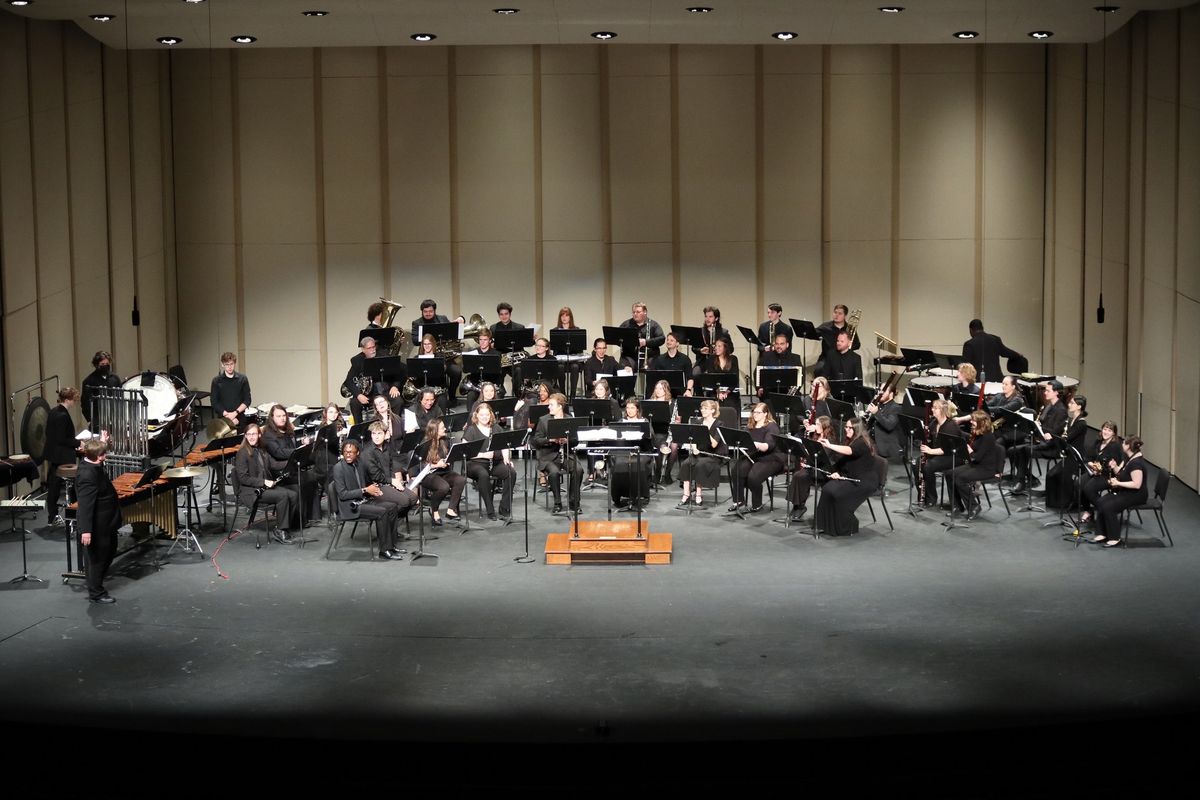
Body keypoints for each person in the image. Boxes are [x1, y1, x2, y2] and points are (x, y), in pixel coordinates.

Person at [332, 440, 404, 560]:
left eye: (351, 452)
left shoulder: (360, 464)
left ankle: (391, 545)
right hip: (350, 507)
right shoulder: (338, 468)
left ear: (358, 453)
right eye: (345, 452)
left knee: (392, 506)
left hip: (363, 500)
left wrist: (375, 490)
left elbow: (366, 483)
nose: (348, 455)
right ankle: (384, 550)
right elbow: (342, 495)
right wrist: (365, 490)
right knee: (382, 512)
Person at [235, 423, 300, 543]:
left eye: (254, 434)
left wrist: (293, 461)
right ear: (245, 436)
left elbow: (274, 464)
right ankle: (281, 530)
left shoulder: (261, 449)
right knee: (283, 496)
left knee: (293, 495)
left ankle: (282, 527)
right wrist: (263, 481)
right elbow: (243, 478)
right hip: (251, 491)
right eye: (248, 434)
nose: (251, 437)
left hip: (265, 487)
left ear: (259, 435)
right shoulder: (242, 453)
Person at [814, 418, 880, 536]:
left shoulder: (862, 442)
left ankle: (847, 526)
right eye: (846, 427)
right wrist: (838, 472)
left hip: (864, 481)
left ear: (857, 429)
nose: (847, 430)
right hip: (850, 476)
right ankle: (824, 525)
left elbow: (850, 451)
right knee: (827, 489)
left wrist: (830, 445)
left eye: (850, 428)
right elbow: (847, 462)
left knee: (836, 492)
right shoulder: (851, 440)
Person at [75, 438, 121, 603]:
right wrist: (86, 531)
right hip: (97, 525)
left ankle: (97, 585)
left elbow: (95, 456)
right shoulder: (87, 475)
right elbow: (85, 506)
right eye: (103, 454)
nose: (105, 457)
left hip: (106, 522)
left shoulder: (92, 463)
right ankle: (96, 593)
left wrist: (101, 442)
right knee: (96, 559)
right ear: (95, 456)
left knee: (109, 552)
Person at [261, 404, 322, 524]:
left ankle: (313, 516)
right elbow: (278, 453)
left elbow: (291, 449)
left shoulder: (287, 430)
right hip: (279, 471)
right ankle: (300, 520)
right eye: (279, 416)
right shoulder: (268, 434)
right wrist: (297, 451)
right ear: (272, 418)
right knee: (304, 479)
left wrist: (302, 445)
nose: (282, 418)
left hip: (290, 467)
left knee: (312, 478)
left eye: (284, 415)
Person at [1008, 381, 1068, 495]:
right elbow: (1042, 424)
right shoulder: (1048, 406)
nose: (1045, 393)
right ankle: (1030, 478)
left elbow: (1055, 433)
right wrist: (1035, 426)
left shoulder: (1061, 410)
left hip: (1051, 446)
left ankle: (1021, 482)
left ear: (1056, 392)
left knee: (1024, 450)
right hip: (1041, 440)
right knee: (1012, 450)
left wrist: (1040, 430)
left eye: (1048, 390)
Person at [1087, 436, 1147, 548]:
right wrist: (1114, 467)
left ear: (1129, 446)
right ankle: (1101, 533)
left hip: (1136, 495)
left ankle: (1114, 537)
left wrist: (1118, 484)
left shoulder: (1136, 464)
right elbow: (1122, 473)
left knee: (1109, 506)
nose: (1122, 445)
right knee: (1101, 501)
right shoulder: (1128, 457)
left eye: (1124, 443)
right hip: (1126, 491)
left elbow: (1137, 484)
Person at [462, 403, 516, 521]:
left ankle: (505, 507)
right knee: (483, 474)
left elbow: (504, 445)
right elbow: (464, 451)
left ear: (491, 415)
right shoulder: (471, 430)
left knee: (511, 472)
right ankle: (490, 509)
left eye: (487, 414)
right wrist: (483, 454)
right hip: (475, 464)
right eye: (482, 415)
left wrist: (506, 458)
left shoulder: (496, 428)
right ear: (477, 415)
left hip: (495, 463)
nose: (485, 417)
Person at [532, 393, 584, 514]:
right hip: (548, 456)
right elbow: (536, 440)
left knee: (578, 469)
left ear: (560, 406)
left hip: (565, 454)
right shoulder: (543, 420)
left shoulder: (569, 419)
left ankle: (573, 502)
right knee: (554, 472)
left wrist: (567, 440)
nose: (548, 407)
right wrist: (550, 440)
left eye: (551, 404)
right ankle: (557, 503)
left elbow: (576, 441)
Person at [946, 410, 1003, 519]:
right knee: (949, 474)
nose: (971, 422)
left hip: (986, 468)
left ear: (982, 422)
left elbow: (977, 457)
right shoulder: (977, 432)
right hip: (976, 465)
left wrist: (968, 449)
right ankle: (957, 506)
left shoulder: (988, 436)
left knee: (960, 479)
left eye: (974, 420)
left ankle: (974, 507)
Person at [730, 403, 786, 513]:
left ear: (765, 414)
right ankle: (739, 501)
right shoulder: (750, 425)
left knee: (753, 477)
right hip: (754, 456)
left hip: (771, 458)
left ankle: (757, 504)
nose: (755, 415)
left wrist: (754, 443)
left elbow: (767, 447)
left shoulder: (771, 426)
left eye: (758, 412)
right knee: (737, 470)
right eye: (754, 412)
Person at [361, 422, 419, 518]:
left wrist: (395, 480)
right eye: (373, 433)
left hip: (388, 482)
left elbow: (392, 464)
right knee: (405, 501)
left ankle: (393, 521)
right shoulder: (367, 452)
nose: (376, 437)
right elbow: (376, 476)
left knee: (413, 498)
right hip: (376, 486)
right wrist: (393, 481)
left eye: (379, 433)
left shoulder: (387, 446)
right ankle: (388, 522)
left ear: (385, 434)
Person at [415, 417, 466, 525]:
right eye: (442, 428)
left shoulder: (445, 440)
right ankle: (434, 510)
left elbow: (448, 456)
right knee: (444, 487)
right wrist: (436, 464)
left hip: (444, 471)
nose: (445, 429)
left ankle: (451, 509)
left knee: (460, 480)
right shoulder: (425, 443)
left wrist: (448, 460)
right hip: (429, 474)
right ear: (435, 431)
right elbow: (420, 464)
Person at [676, 399, 725, 508]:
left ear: (712, 410)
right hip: (699, 453)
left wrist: (706, 429)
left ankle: (698, 495)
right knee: (686, 463)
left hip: (712, 455)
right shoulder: (697, 422)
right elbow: (693, 439)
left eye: (706, 409)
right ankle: (686, 494)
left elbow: (714, 445)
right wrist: (694, 448)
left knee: (700, 465)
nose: (703, 410)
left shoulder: (719, 424)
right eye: (702, 408)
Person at [1045, 394, 1091, 509]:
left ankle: (1067, 502)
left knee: (1058, 475)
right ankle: (1054, 502)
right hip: (1068, 455)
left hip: (1076, 457)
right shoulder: (1070, 420)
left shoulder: (1081, 423)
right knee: (1051, 475)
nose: (1069, 405)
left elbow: (1068, 438)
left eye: (1072, 403)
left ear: (1079, 406)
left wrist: (1054, 437)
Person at [787, 415, 836, 522]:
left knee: (802, 476)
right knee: (797, 475)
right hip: (811, 465)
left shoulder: (830, 439)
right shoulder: (814, 435)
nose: (815, 426)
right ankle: (797, 506)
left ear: (825, 426)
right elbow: (800, 439)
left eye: (818, 424)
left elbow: (822, 457)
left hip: (823, 469)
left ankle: (799, 506)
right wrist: (806, 431)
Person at [343, 336, 402, 422]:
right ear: (363, 350)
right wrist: (359, 395)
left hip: (385, 393)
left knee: (398, 401)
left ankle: (395, 425)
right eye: (369, 348)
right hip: (368, 396)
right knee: (354, 402)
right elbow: (349, 381)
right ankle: (359, 428)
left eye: (374, 347)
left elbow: (398, 372)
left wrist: (395, 386)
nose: (373, 350)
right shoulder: (357, 360)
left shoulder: (384, 355)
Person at [45, 387, 81, 525]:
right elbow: (62, 439)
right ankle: (72, 514)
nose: (74, 402)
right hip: (62, 455)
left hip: (54, 454)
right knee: (69, 486)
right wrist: (79, 442)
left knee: (53, 486)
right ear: (67, 400)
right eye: (73, 400)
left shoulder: (54, 411)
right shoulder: (62, 415)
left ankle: (52, 516)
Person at [918, 398, 964, 508]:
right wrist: (925, 445)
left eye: (935, 408)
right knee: (917, 464)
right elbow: (931, 441)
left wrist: (930, 451)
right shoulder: (934, 423)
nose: (932, 410)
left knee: (928, 466)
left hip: (952, 456)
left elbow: (947, 449)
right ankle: (923, 495)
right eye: (932, 407)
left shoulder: (951, 426)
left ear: (943, 410)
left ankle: (931, 499)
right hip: (939, 454)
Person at [1079, 421, 1123, 525]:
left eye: (1109, 430)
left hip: (1108, 476)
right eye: (1105, 429)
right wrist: (1092, 465)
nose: (1106, 432)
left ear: (1113, 433)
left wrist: (1099, 470)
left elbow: (1113, 467)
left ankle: (1106, 509)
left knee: (1088, 488)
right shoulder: (1098, 442)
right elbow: (1088, 458)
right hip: (1095, 471)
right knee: (1079, 484)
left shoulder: (1115, 446)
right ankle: (1088, 510)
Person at [961, 319, 1022, 385]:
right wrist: (1018, 355)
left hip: (979, 382)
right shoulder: (995, 339)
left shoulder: (969, 344)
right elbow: (1006, 352)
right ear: (982, 328)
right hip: (997, 380)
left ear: (971, 330)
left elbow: (965, 365)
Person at [80, 350, 121, 429]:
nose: (105, 366)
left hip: (114, 419)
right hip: (97, 420)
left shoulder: (115, 378)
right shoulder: (88, 381)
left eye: (107, 364)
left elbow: (120, 398)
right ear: (96, 365)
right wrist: (89, 420)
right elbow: (85, 403)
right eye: (102, 364)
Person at [210, 352, 252, 429]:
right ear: (222, 364)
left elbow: (247, 400)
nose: (229, 367)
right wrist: (228, 416)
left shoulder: (242, 379)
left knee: (240, 439)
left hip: (240, 416)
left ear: (235, 363)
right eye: (227, 364)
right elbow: (214, 402)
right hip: (223, 417)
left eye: (231, 364)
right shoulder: (216, 381)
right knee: (224, 440)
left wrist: (235, 413)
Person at [619, 301, 665, 370]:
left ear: (645, 312)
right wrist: (630, 342)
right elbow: (618, 339)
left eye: (638, 312)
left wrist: (646, 342)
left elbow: (661, 339)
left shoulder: (653, 325)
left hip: (649, 357)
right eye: (633, 312)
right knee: (624, 369)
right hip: (630, 356)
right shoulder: (626, 324)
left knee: (652, 369)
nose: (635, 314)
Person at [866, 384, 903, 461]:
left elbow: (889, 425)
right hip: (872, 443)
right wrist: (867, 414)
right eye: (880, 390)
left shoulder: (896, 408)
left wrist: (876, 413)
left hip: (884, 448)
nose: (880, 393)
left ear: (891, 394)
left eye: (884, 390)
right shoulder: (879, 405)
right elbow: (868, 426)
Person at [312, 402, 346, 485]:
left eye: (335, 412)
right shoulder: (322, 427)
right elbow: (323, 444)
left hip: (337, 452)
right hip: (326, 456)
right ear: (325, 413)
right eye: (330, 412)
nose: (333, 415)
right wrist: (338, 435)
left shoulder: (341, 424)